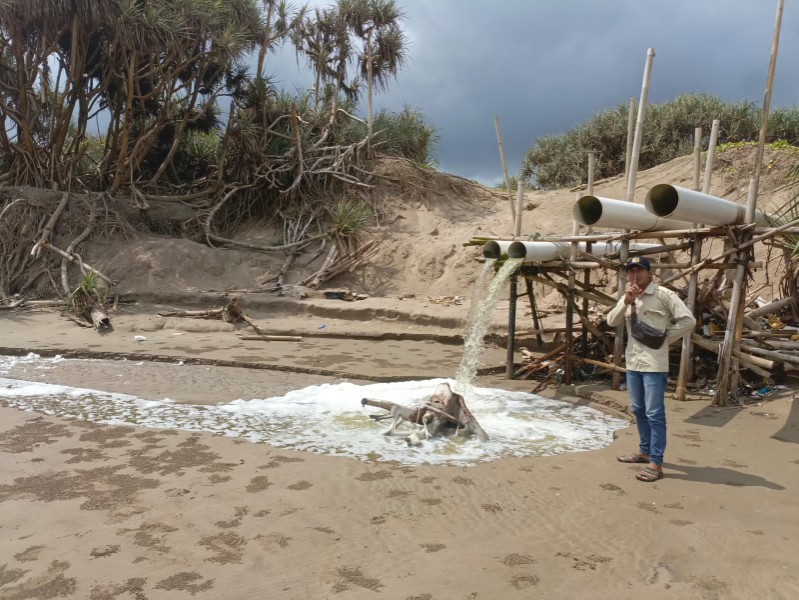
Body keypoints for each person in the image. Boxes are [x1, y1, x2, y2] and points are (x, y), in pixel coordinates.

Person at [606, 256, 696, 482]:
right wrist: (626, 300)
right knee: (638, 409)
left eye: (640, 271)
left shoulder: (664, 295)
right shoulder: (628, 297)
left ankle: (656, 462)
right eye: (631, 271)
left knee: (655, 413)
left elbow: (688, 320)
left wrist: (664, 338)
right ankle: (644, 452)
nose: (635, 275)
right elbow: (611, 321)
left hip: (655, 364)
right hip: (633, 362)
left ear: (649, 273)